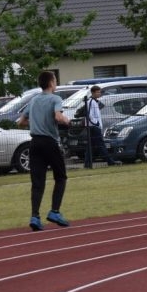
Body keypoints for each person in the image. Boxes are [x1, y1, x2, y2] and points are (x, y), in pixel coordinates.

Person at [17, 70, 71, 231]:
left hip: (34, 143)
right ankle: (54, 211)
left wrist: (36, 123)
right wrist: (67, 121)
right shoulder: (56, 98)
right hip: (50, 142)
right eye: (55, 81)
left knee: (37, 182)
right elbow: (58, 117)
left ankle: (35, 216)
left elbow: (20, 122)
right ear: (51, 83)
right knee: (60, 177)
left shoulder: (33, 100)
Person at [84, 86, 118, 167]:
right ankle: (110, 162)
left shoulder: (95, 102)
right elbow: (90, 115)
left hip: (93, 126)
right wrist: (96, 124)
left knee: (91, 146)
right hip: (93, 127)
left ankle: (87, 164)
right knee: (101, 145)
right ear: (93, 93)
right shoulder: (91, 102)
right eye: (97, 92)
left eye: (99, 92)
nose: (99, 93)